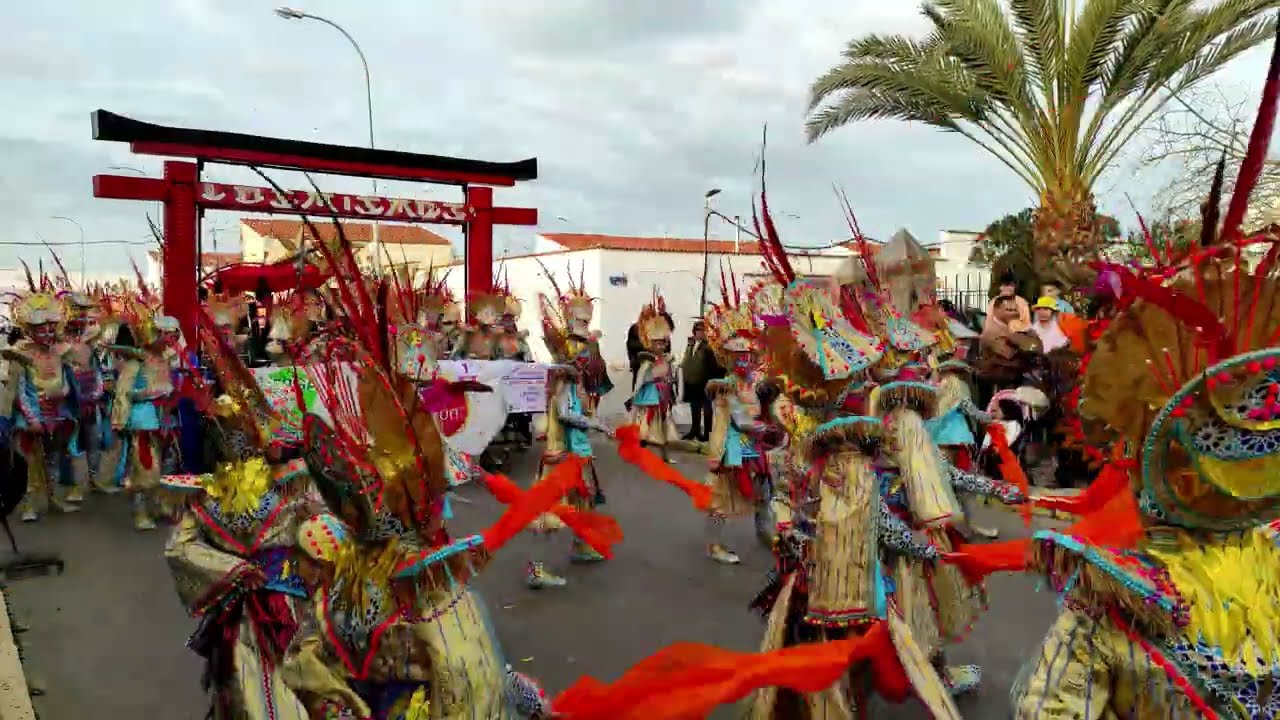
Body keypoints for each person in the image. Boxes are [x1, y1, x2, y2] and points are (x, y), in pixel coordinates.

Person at [1, 288, 79, 522]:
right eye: (40, 327)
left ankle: (53, 496)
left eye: (50, 326)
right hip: (30, 416)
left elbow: (67, 383)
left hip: (57, 414)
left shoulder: (61, 352)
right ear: (29, 329)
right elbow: (20, 392)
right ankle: (27, 504)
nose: (46, 331)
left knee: (54, 458)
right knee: (28, 460)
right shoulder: (19, 355)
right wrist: (32, 417)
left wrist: (61, 394)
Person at [679, 319, 722, 442]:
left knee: (707, 407)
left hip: (704, 381)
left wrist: (712, 381)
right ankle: (695, 429)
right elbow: (687, 360)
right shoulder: (691, 344)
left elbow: (713, 366)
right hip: (691, 382)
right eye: (698, 330)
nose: (700, 333)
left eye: (703, 330)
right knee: (694, 406)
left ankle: (707, 433)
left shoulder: (708, 347)